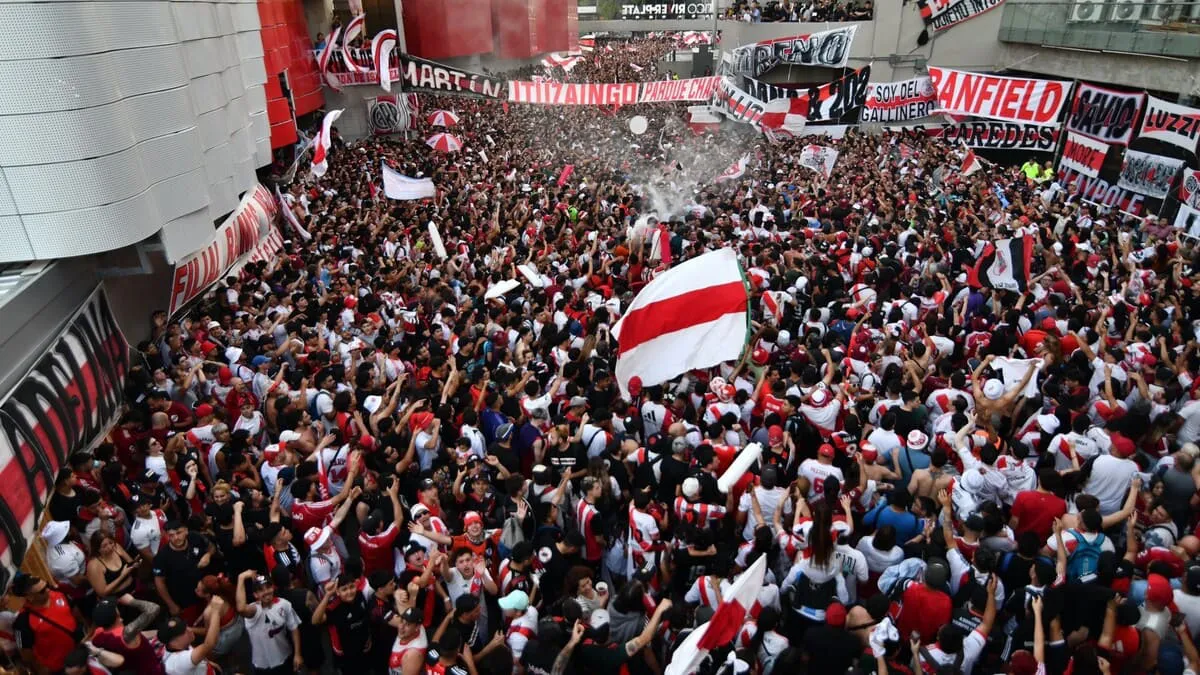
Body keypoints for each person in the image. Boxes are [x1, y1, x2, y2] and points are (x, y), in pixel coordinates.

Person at [235, 570, 303, 675]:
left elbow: (294, 628)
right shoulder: (255, 610)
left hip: (285, 658)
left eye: (268, 587)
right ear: (255, 595)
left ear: (273, 588)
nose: (266, 591)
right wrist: (241, 577)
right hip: (262, 666)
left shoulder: (284, 604)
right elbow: (241, 608)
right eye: (261, 590)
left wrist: (297, 654)